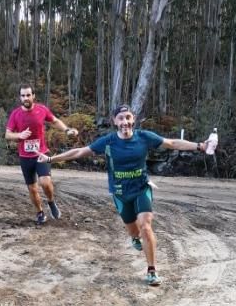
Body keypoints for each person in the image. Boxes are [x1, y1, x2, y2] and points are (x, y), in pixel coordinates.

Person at [38, 103, 208, 286]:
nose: (125, 122)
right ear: (114, 121)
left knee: (146, 226)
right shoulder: (108, 141)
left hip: (141, 189)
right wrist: (51, 159)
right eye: (121, 118)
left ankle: (152, 270)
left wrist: (199, 146)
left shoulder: (144, 137)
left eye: (128, 117)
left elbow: (172, 143)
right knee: (134, 231)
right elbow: (80, 152)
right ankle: (134, 237)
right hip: (120, 193)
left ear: (133, 119)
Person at [5, 84, 79, 225]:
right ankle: (40, 212)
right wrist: (19, 135)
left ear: (33, 96)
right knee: (32, 188)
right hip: (25, 157)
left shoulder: (41, 110)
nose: (25, 98)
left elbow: (55, 121)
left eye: (28, 95)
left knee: (45, 182)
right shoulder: (15, 114)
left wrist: (67, 130)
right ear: (20, 97)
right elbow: (7, 135)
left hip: (41, 154)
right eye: (23, 95)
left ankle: (51, 202)